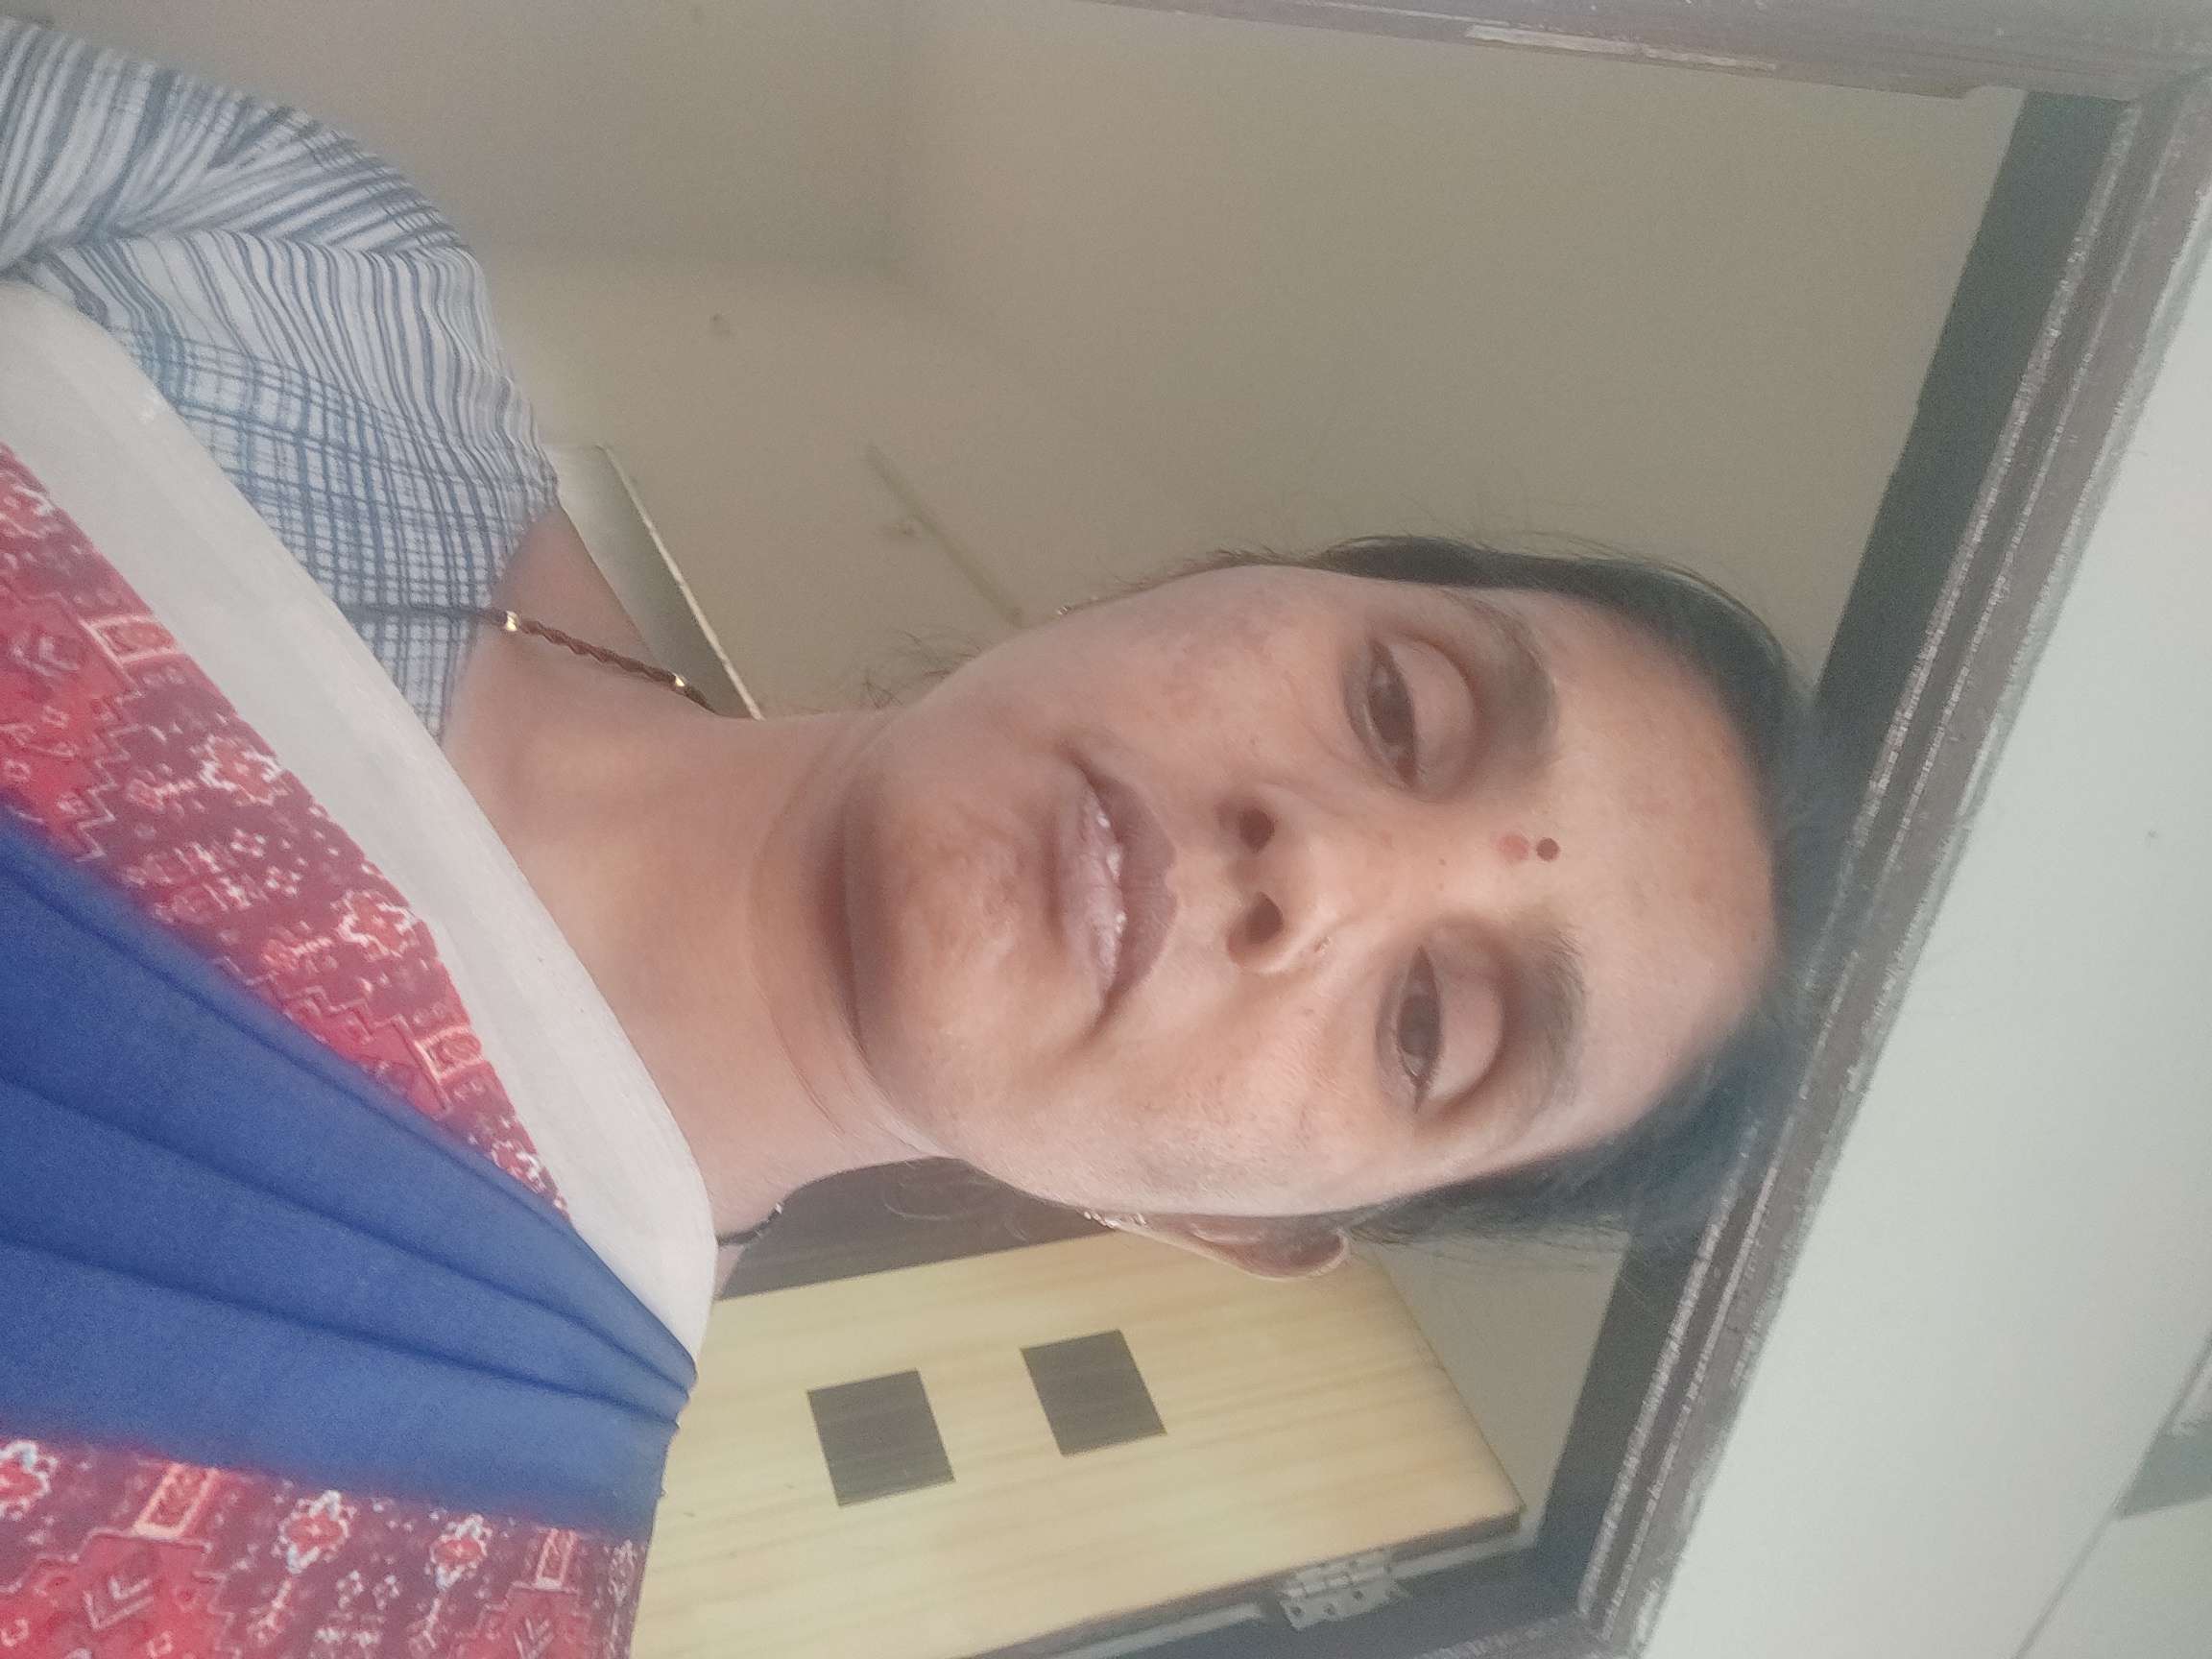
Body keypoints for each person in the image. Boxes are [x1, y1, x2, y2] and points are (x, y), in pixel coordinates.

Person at [0, 19, 1826, 1658]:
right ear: (1224, 581)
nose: (1322, 871)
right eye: (1400, 708)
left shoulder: (441, 1584)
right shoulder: (319, 286)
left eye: (1430, 1028)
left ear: (1231, 1225)